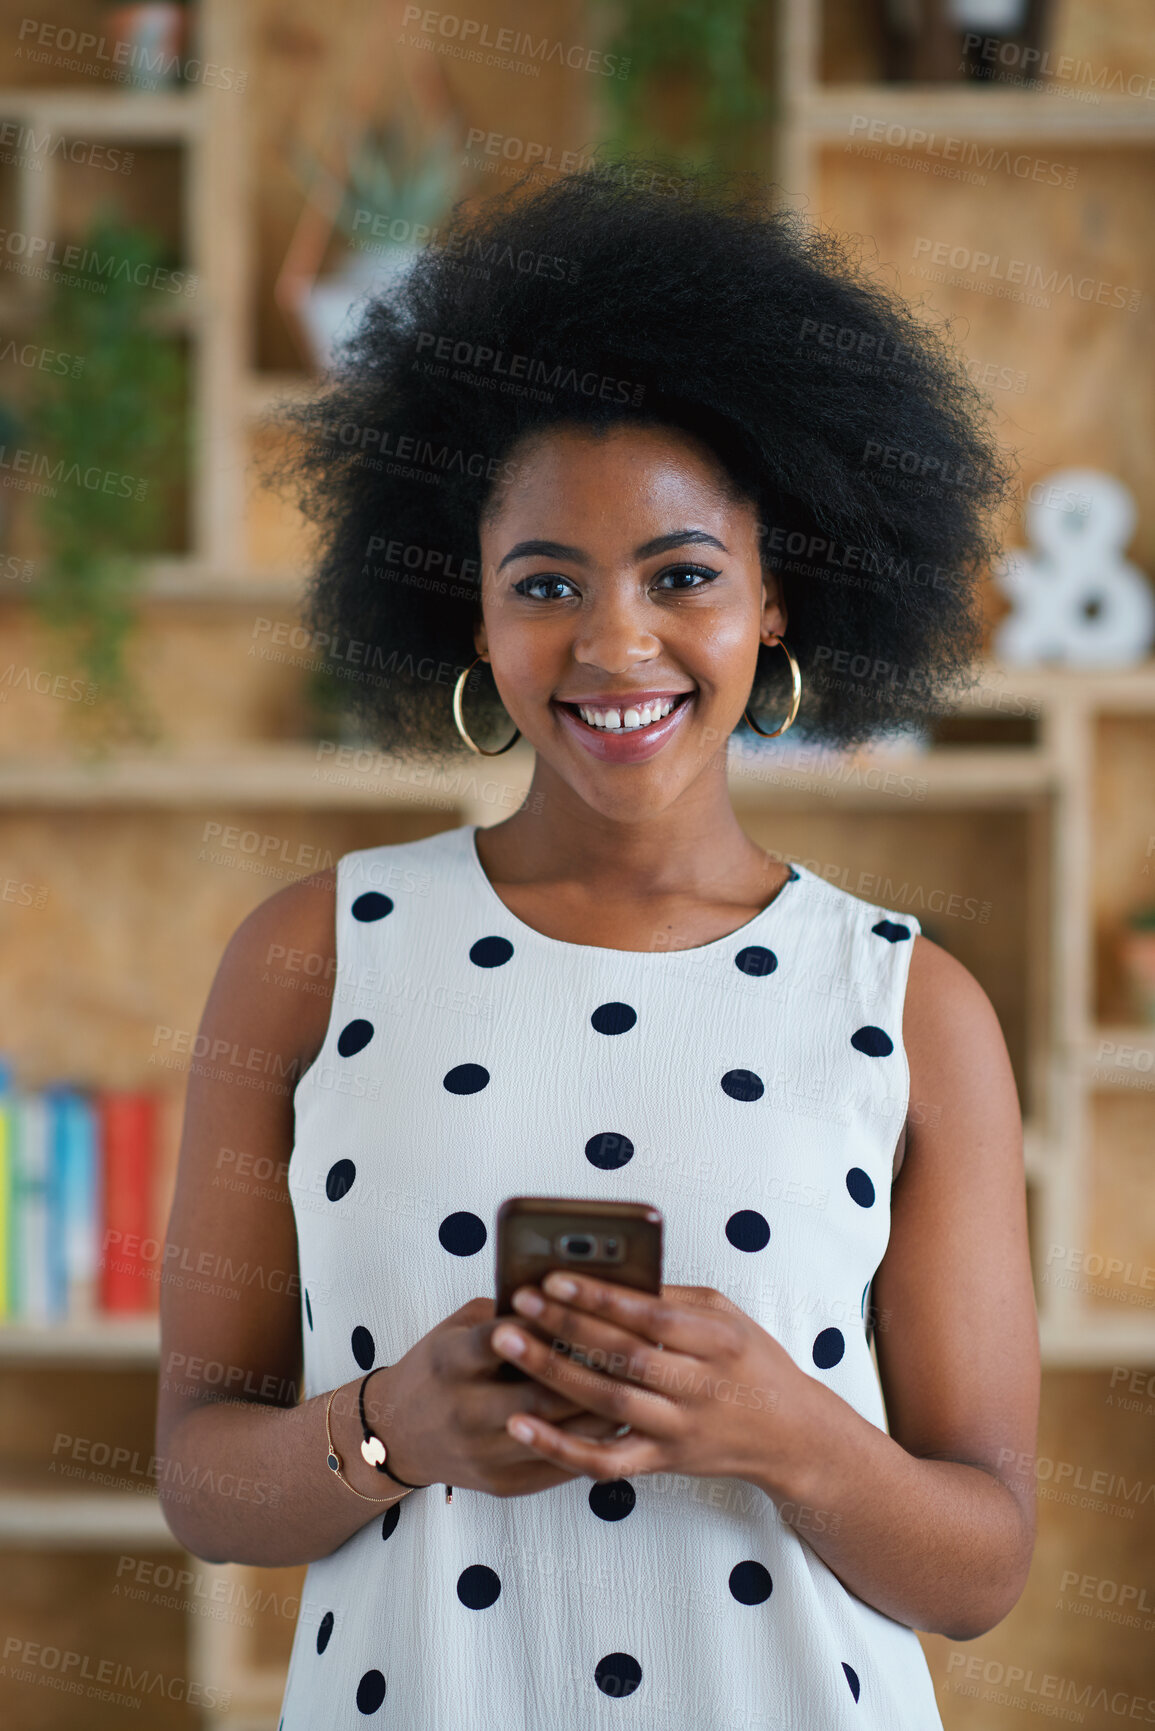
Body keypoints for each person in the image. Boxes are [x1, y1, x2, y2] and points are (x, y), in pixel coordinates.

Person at [156, 157, 1039, 1730]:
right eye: (544, 583)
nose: (615, 645)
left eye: (683, 576)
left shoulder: (908, 1005)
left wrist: (787, 1433)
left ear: (776, 596)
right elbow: (204, 1485)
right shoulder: (310, 958)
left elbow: (978, 1573)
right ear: (472, 618)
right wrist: (388, 1430)